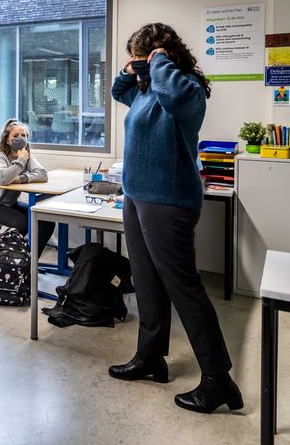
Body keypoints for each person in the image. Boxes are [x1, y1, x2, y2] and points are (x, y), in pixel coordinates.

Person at [109, 23, 242, 413]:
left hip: (169, 200)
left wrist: (161, 62)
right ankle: (150, 358)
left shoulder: (185, 88)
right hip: (136, 196)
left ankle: (219, 381)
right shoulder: (146, 90)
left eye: (142, 54)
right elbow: (120, 90)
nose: (137, 63)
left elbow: (179, 99)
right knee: (146, 282)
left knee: (184, 289)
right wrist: (134, 68)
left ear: (161, 55)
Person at [0, 119, 56, 258]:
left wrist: (21, 178)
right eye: (15, 136)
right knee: (23, 223)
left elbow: (43, 174)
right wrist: (21, 161)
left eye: (23, 135)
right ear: (7, 140)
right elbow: (3, 178)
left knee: (46, 220)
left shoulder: (26, 155)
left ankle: (29, 260)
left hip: (9, 204)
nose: (20, 138)